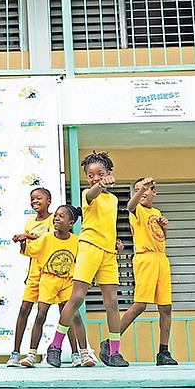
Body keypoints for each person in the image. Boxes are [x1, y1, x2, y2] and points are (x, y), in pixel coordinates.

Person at [46, 151, 129, 368]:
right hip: (89, 248)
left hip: (108, 253)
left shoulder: (113, 199)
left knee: (112, 302)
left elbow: (107, 225)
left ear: (109, 172)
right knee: (77, 297)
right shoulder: (88, 194)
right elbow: (93, 194)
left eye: (100, 173)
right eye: (90, 175)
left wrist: (115, 242)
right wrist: (100, 184)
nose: (95, 178)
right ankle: (55, 346)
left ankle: (114, 352)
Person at [100, 177, 178, 366]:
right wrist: (140, 189)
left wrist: (165, 228)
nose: (142, 191)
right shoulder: (137, 210)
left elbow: (159, 237)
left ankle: (163, 351)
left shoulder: (157, 212)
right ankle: (110, 343)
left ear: (154, 192)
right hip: (145, 258)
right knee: (140, 305)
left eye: (146, 189)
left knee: (166, 307)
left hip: (161, 258)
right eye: (137, 189)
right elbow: (129, 205)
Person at [18, 205, 94, 368]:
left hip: (67, 282)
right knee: (40, 315)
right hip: (48, 280)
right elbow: (30, 251)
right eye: (56, 216)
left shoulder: (76, 241)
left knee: (74, 317)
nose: (56, 218)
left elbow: (84, 259)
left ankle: (82, 354)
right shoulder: (46, 238)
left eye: (61, 216)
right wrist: (22, 243)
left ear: (71, 223)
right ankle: (31, 354)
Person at [7, 187, 54, 366]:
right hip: (34, 271)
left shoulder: (54, 219)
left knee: (46, 313)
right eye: (32, 199)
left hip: (51, 271)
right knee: (24, 309)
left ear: (48, 201)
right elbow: (30, 252)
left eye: (39, 198)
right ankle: (15, 353)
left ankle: (76, 352)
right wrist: (28, 272)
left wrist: (26, 236)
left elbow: (49, 240)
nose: (35, 201)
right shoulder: (29, 222)